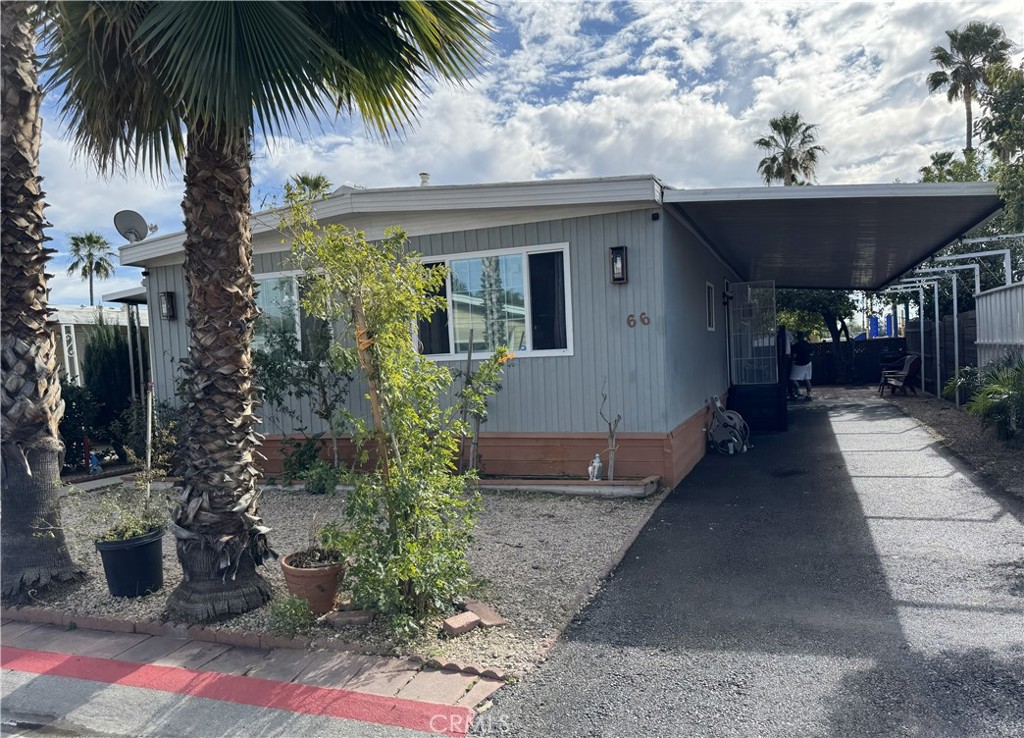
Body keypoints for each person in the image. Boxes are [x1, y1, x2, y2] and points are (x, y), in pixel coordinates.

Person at [790, 332, 813, 400]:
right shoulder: (807, 344)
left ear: (797, 337)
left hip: (799, 363)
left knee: (792, 379)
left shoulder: (796, 345)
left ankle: (798, 391)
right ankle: (809, 395)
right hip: (808, 362)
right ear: (803, 336)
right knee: (807, 379)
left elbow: (793, 355)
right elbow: (812, 352)